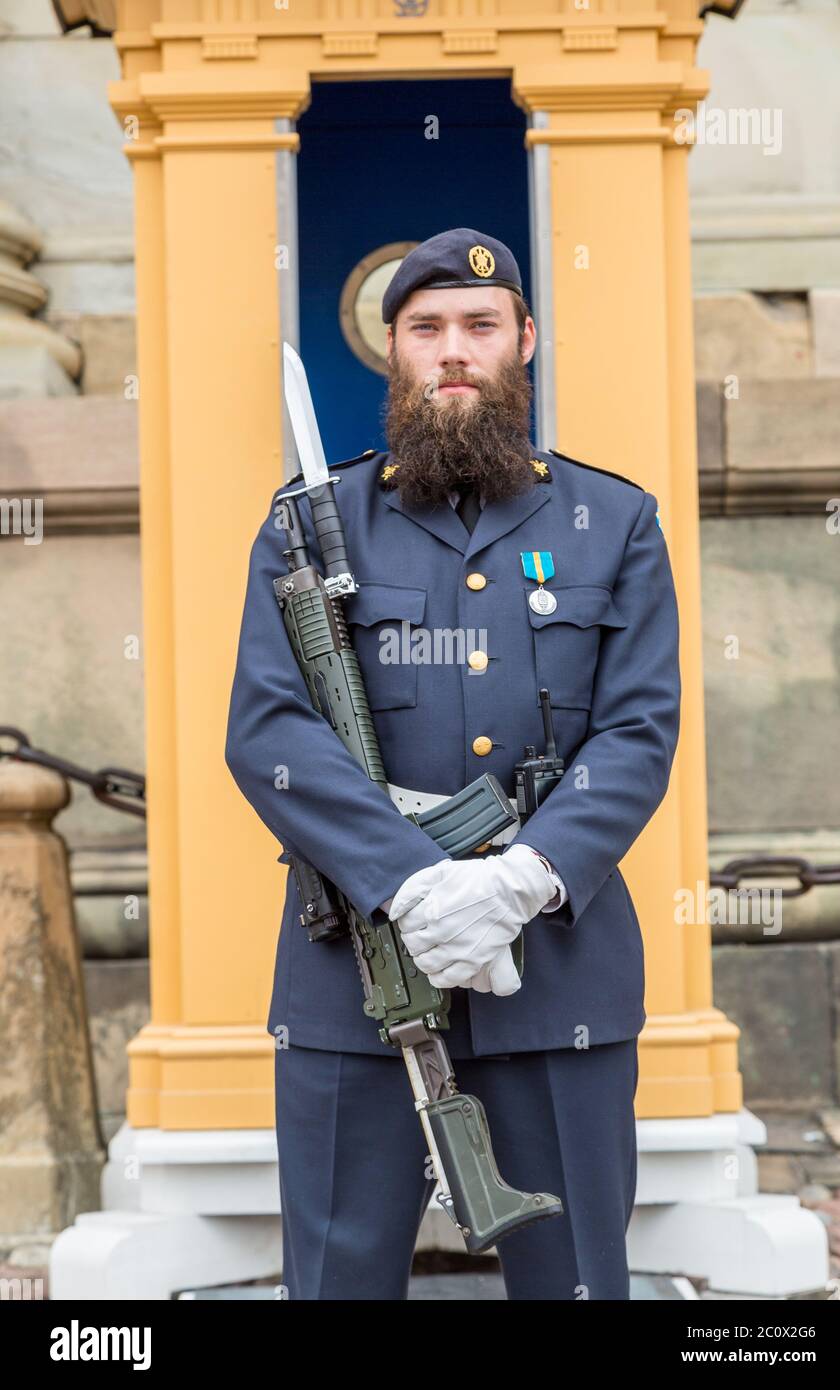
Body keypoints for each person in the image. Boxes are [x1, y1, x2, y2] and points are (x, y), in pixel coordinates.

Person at [225, 227, 681, 1300]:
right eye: (425, 329)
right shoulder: (308, 524)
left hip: (555, 973)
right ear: (394, 352)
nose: (453, 351)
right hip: (358, 967)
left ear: (525, 338)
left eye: (479, 326)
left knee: (574, 1280)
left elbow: (635, 731)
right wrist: (413, 878)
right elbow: (271, 729)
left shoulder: (610, 523)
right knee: (338, 1280)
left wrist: (518, 878)